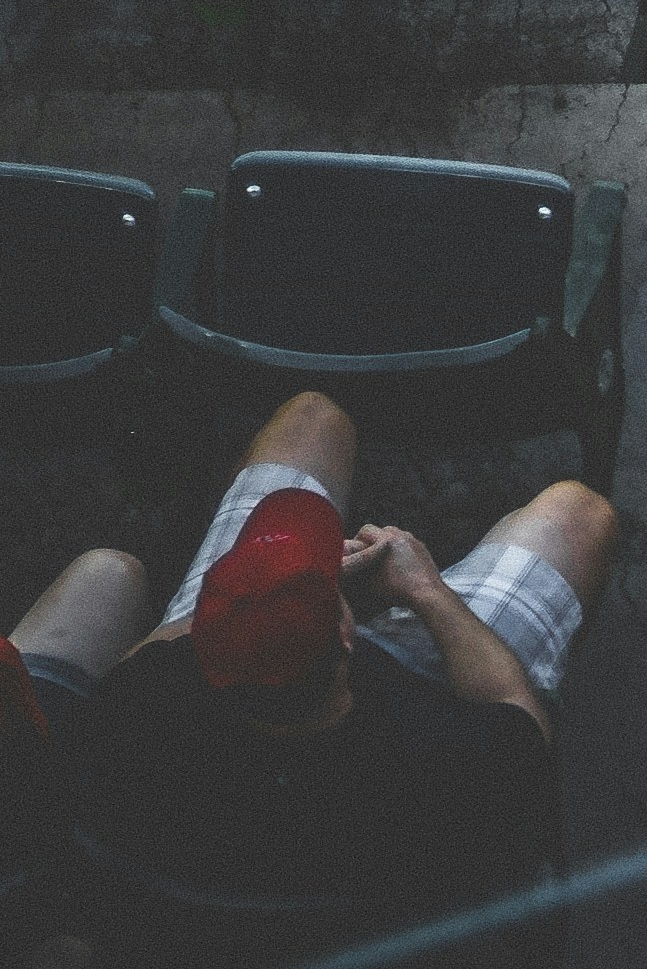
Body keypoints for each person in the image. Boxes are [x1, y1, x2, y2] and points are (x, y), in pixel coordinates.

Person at [76, 396, 612, 930]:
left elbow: (151, 655)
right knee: (579, 512)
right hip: (422, 685)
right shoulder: (445, 760)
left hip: (248, 914)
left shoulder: (137, 711)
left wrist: (262, 593)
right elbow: (517, 714)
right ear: (344, 634)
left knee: (313, 417)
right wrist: (426, 590)